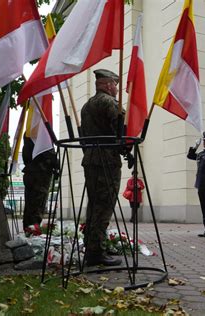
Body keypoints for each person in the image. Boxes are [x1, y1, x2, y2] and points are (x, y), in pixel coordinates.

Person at [81, 69, 124, 266]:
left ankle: (90, 246)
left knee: (93, 204)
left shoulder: (86, 106)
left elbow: (83, 136)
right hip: (107, 160)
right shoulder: (109, 103)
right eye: (115, 84)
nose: (116, 88)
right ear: (107, 85)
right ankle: (96, 252)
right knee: (104, 206)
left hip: (90, 159)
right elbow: (121, 129)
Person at [22, 136, 58, 231]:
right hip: (40, 175)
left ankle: (27, 231)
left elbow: (25, 156)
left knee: (29, 207)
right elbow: (50, 156)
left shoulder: (29, 131)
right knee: (37, 207)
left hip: (29, 172)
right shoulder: (42, 132)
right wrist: (56, 163)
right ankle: (33, 233)